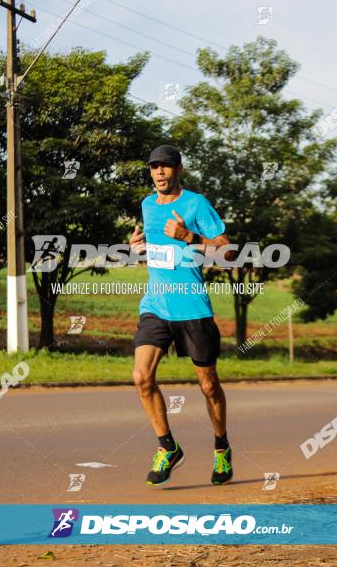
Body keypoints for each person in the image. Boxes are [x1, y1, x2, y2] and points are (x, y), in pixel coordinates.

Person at [128, 144, 233, 486]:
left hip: (191, 306)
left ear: (179, 169)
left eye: (166, 167)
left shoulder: (196, 203)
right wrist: (136, 251)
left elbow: (227, 250)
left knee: (208, 384)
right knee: (142, 377)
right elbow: (157, 254)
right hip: (156, 304)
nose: (159, 172)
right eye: (154, 167)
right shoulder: (146, 205)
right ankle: (167, 447)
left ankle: (221, 447)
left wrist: (189, 236)